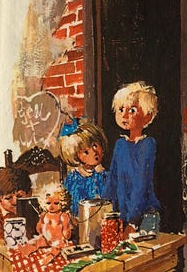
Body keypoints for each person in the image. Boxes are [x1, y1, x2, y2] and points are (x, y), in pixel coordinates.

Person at [102, 81, 161, 238]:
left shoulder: (147, 145)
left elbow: (141, 184)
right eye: (121, 109)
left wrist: (133, 222)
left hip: (144, 216)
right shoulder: (120, 145)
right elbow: (112, 179)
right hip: (122, 215)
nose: (124, 115)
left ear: (148, 116)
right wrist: (103, 209)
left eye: (132, 110)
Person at [60, 122, 108, 217]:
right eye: (86, 152)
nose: (94, 152)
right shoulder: (73, 179)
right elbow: (71, 206)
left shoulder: (105, 176)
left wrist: (101, 173)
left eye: (95, 146)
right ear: (76, 155)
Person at [18, 182, 72, 264]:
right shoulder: (44, 215)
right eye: (48, 203)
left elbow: (67, 234)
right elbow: (38, 229)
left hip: (58, 240)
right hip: (46, 239)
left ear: (62, 202)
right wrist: (41, 226)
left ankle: (50, 255)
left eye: (56, 203)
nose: (51, 206)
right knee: (37, 241)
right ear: (43, 202)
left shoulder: (63, 215)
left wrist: (66, 233)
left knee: (59, 245)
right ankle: (26, 250)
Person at [0, 167, 32, 240]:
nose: (15, 202)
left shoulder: (36, 214)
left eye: (19, 196)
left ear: (29, 193)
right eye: (8, 198)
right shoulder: (3, 218)